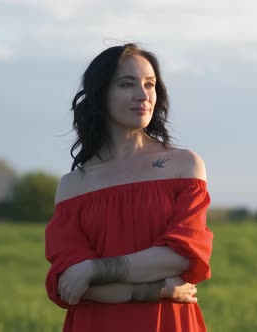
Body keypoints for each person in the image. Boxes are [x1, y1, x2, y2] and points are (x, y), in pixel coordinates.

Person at [45, 43, 214, 332]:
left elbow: (180, 257)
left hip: (167, 324)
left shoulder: (184, 166)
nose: (143, 95)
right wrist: (156, 290)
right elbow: (68, 284)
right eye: (127, 84)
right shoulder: (74, 186)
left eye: (150, 84)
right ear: (101, 94)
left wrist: (94, 270)